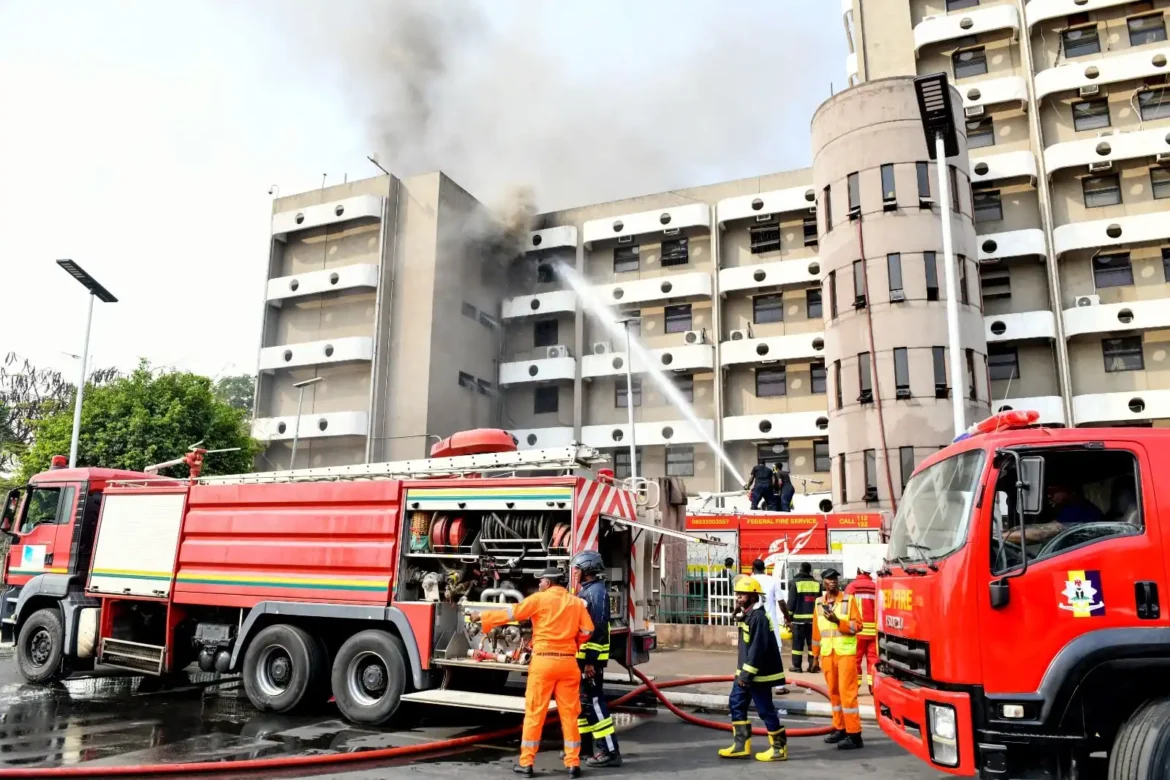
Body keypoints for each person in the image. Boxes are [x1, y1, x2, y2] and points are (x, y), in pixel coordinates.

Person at [472, 567, 593, 777]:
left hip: (544, 662)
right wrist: (574, 643)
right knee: (570, 715)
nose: (539, 584)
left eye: (541, 580)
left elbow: (512, 613)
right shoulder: (576, 602)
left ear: (548, 583)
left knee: (535, 714)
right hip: (568, 663)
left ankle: (527, 763)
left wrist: (482, 617)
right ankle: (573, 763)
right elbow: (588, 630)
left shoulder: (539, 599)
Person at [717, 576, 788, 762]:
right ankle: (741, 745)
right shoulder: (749, 615)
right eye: (738, 594)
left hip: (757, 675)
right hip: (745, 673)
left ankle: (779, 749)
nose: (738, 597)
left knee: (765, 710)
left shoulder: (758, 618)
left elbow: (757, 649)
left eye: (742, 594)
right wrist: (739, 614)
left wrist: (747, 674)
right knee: (736, 703)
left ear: (754, 596)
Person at [571, 551, 622, 768]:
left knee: (595, 704)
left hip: (590, 662)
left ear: (587, 570)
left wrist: (591, 661)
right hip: (582, 659)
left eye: (577, 569)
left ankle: (610, 751)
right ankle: (584, 748)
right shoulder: (588, 592)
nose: (575, 573)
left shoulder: (596, 594)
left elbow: (598, 629)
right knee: (583, 705)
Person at [812, 568, 864, 750]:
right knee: (834, 692)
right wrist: (814, 655)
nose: (833, 582)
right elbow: (816, 632)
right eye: (829, 579)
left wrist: (837, 621)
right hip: (828, 654)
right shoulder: (819, 603)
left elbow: (858, 626)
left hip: (845, 654)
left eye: (835, 579)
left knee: (847, 693)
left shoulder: (849, 601)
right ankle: (840, 728)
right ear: (823, 582)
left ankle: (854, 734)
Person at [1006, 480, 1106, 545]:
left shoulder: (1080, 510)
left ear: (1071, 491)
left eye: (1054, 491)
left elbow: (1041, 534)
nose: (1050, 496)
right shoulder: (1070, 508)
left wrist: (1002, 536)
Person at [750, 559, 789, 695]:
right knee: (775, 653)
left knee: (752, 652)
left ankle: (751, 681)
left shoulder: (749, 581)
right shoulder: (773, 581)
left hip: (752, 620)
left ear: (752, 568)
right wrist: (787, 617)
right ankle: (779, 686)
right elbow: (781, 602)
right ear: (765, 568)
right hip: (769, 621)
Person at [844, 566, 878, 692]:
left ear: (859, 570)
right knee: (873, 660)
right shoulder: (876, 587)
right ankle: (873, 687)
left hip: (857, 631)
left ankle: (855, 687)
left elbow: (844, 609)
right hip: (874, 631)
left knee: (855, 660)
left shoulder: (852, 587)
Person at [786, 561, 820, 673]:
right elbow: (819, 601)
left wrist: (788, 618)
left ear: (800, 569)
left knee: (797, 644)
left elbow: (791, 602)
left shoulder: (794, 582)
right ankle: (812, 665)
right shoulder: (817, 583)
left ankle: (797, 666)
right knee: (812, 644)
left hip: (798, 620)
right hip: (813, 620)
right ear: (810, 571)